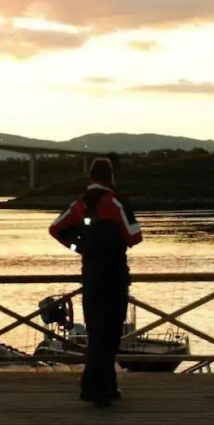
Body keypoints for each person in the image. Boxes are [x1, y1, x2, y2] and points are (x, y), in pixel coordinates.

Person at [49, 157, 142, 408]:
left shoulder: (80, 203)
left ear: (91, 177)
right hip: (114, 272)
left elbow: (55, 228)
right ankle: (94, 388)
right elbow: (135, 237)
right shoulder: (117, 201)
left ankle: (107, 386)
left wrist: (78, 247)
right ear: (111, 176)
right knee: (110, 332)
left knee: (96, 330)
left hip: (90, 272)